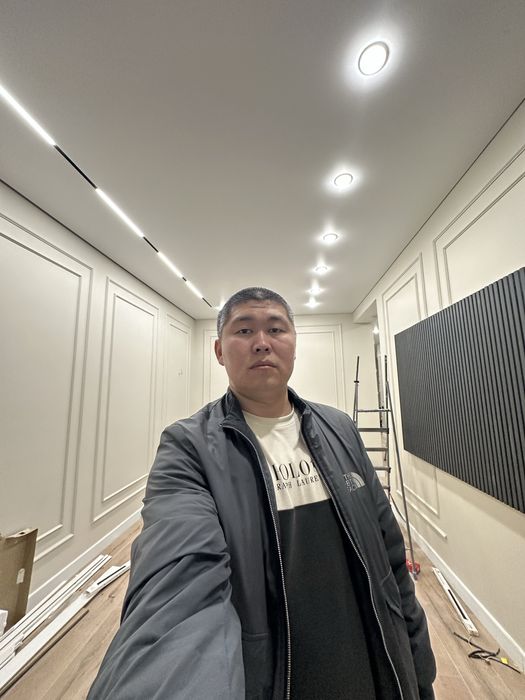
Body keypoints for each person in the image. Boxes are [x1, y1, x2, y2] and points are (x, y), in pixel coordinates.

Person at [88, 287, 436, 700]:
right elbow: (179, 588)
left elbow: (390, 557)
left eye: (275, 329)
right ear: (219, 351)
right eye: (244, 330)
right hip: (276, 676)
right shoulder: (188, 448)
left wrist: (418, 670)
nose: (261, 342)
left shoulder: (340, 428)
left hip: (374, 665)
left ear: (294, 345)